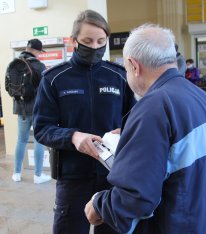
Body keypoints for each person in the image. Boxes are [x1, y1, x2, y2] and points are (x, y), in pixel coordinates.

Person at [84, 24, 206, 234]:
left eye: (126, 69)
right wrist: (136, 139)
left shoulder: (152, 108)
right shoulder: (202, 98)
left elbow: (136, 198)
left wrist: (99, 205)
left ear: (134, 66)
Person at [33, 10, 135, 234]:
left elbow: (136, 120)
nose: (95, 47)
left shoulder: (119, 76)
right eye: (88, 41)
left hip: (113, 177)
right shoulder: (54, 79)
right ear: (74, 41)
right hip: (72, 177)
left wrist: (124, 131)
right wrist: (73, 136)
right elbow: (42, 128)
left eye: (101, 41)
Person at [7, 39, 51, 184]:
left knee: (21, 140)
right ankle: (38, 175)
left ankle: (16, 174)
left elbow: (8, 86)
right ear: (38, 51)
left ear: (26, 48)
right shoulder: (39, 65)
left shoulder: (13, 64)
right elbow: (46, 89)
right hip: (37, 108)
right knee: (39, 140)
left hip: (20, 108)